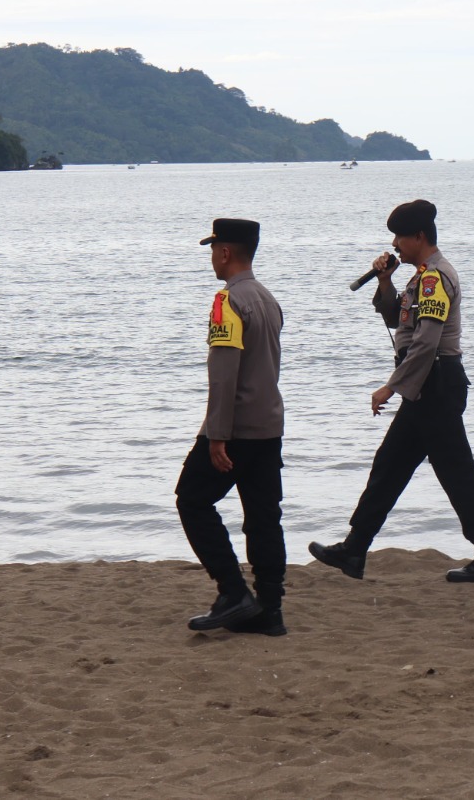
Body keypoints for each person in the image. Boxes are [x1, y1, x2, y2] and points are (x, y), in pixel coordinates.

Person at [309, 199, 474, 583]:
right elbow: (395, 319)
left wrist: (391, 385)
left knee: (455, 472)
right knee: (392, 464)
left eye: (399, 236)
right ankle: (355, 549)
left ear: (419, 236)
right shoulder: (419, 277)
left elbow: (427, 344)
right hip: (427, 385)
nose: (394, 244)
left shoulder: (435, 278)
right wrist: (384, 280)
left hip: (436, 384)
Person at [175, 218, 288, 636]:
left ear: (225, 252)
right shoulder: (268, 298)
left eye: (213, 250)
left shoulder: (228, 302)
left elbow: (223, 373)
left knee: (191, 500)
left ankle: (232, 591)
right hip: (269, 424)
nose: (211, 258)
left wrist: (217, 434)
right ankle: (270, 609)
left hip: (236, 428)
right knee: (263, 518)